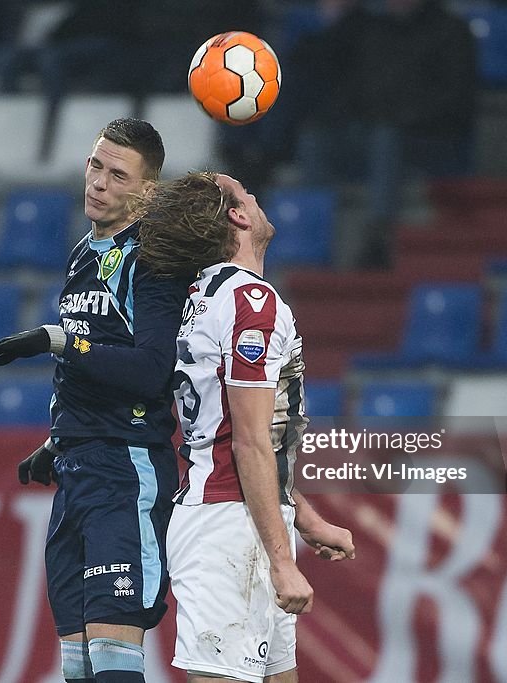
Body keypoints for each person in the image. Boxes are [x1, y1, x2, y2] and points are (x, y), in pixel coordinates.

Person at [0, 119, 190, 683]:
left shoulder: (152, 261)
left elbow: (150, 369)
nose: (98, 182)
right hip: (79, 469)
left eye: (118, 175)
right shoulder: (85, 255)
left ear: (146, 191)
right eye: (96, 165)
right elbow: (103, 355)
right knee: (79, 666)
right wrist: (59, 438)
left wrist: (57, 339)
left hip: (126, 469)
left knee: (114, 658)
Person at [136, 171, 356, 682]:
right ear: (237, 215)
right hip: (228, 526)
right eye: (247, 194)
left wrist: (304, 519)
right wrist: (283, 561)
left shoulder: (204, 296)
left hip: (242, 515)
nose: (257, 199)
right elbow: (250, 442)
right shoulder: (250, 304)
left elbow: (242, 435)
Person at [294, 0, 477, 268]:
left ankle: (378, 235)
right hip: (370, 131)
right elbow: (335, 76)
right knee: (316, 137)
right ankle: (310, 232)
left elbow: (457, 101)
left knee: (386, 136)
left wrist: (406, 117)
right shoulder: (372, 29)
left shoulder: (451, 31)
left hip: (429, 139)